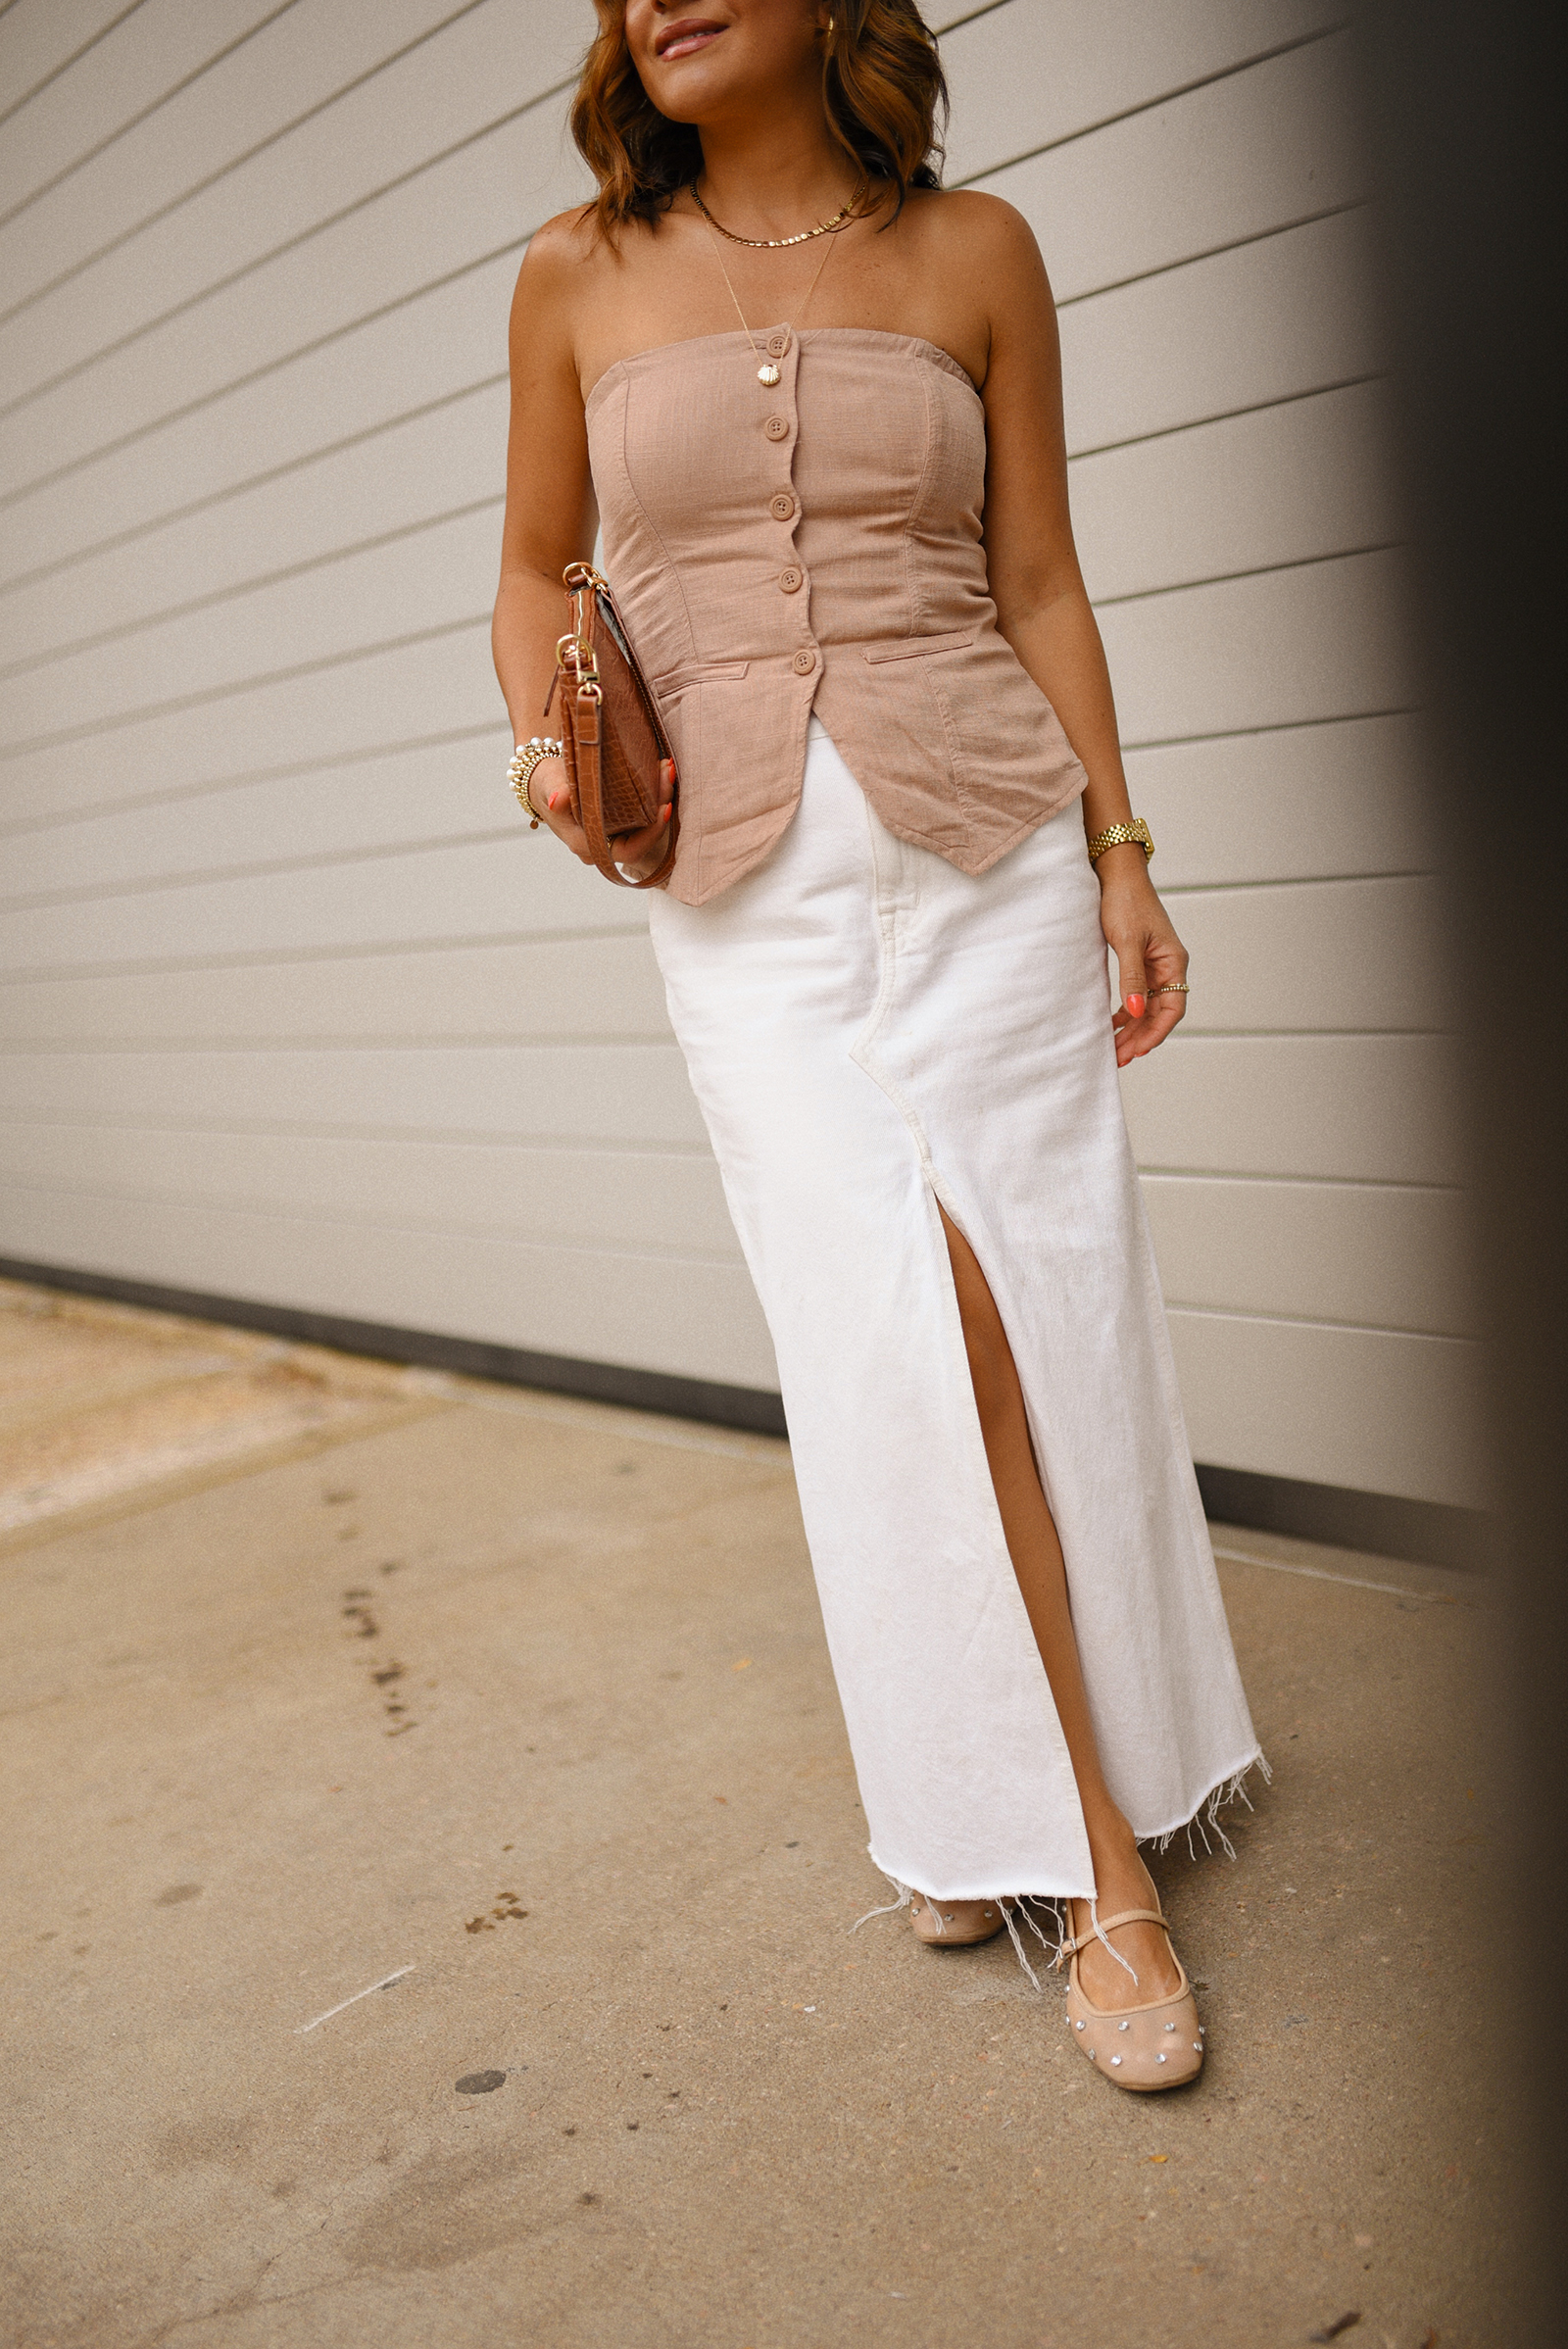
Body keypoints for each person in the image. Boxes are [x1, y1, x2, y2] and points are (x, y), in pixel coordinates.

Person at [492, 0, 1262, 2094]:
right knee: (875, 1336)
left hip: (989, 850)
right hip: (740, 900)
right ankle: (980, 1803)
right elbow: (532, 568)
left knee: (1033, 1318)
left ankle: (1081, 1849)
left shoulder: (975, 251)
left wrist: (1119, 851)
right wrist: (550, 757)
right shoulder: (571, 273)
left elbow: (1038, 577)